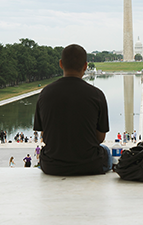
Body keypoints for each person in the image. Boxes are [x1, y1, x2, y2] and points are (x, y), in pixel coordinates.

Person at [33, 44, 112, 176]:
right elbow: (100, 138)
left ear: (61, 64)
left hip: (52, 165)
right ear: (85, 66)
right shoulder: (97, 95)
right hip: (90, 164)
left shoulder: (45, 93)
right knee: (106, 150)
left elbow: (45, 136)